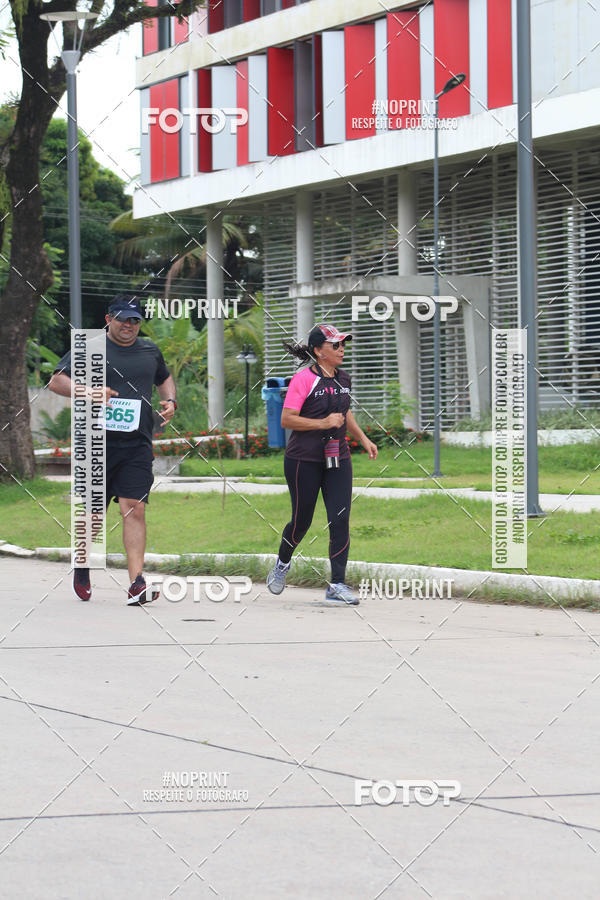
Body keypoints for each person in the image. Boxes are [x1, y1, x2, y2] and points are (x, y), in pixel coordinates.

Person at [48, 295, 177, 606]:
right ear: (109, 320)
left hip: (137, 444)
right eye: (123, 319)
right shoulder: (89, 348)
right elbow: (56, 382)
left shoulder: (149, 350)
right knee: (93, 514)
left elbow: (165, 378)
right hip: (95, 443)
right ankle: (82, 564)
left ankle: (136, 582)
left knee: (135, 507)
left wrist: (171, 401)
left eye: (135, 320)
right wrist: (90, 392)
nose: (129, 326)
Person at [267, 324, 378, 605]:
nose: (341, 350)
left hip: (337, 457)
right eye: (335, 345)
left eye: (343, 344)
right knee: (301, 521)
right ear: (318, 351)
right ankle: (282, 562)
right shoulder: (303, 379)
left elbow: (345, 412)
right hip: (303, 460)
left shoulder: (344, 378)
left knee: (339, 519)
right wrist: (323, 423)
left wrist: (363, 439)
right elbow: (287, 419)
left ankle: (337, 584)